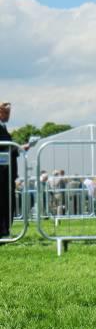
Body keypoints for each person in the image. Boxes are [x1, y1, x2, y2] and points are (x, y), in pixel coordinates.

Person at [0, 102, 19, 238]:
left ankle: (5, 229)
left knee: (8, 201)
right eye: (5, 113)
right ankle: (2, 230)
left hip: (8, 172)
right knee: (2, 201)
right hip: (2, 172)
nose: (8, 116)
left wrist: (18, 147)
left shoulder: (4, 128)